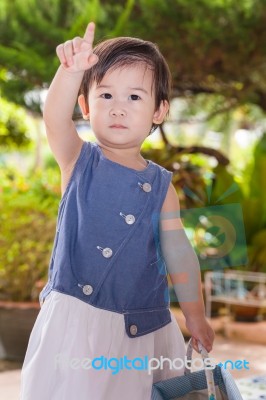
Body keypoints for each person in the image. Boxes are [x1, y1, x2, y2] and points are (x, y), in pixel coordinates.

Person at [20, 22, 214, 400]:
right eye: (106, 95)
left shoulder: (162, 187)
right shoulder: (79, 159)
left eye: (135, 98)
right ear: (85, 105)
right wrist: (71, 70)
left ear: (159, 111)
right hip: (80, 324)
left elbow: (178, 254)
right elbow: (53, 118)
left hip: (144, 327)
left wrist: (195, 316)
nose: (119, 108)